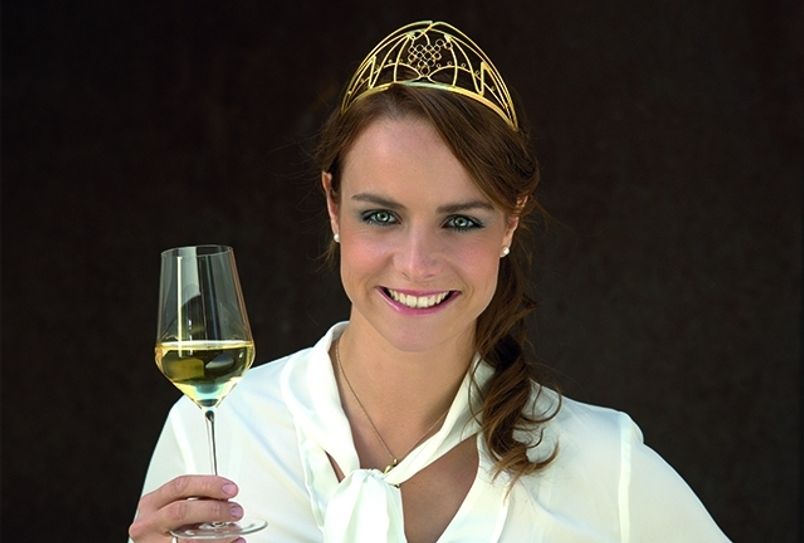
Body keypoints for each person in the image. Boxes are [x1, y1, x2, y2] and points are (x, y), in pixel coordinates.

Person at [128, 20, 731, 543]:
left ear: (510, 222)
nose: (417, 264)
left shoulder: (603, 465)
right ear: (334, 206)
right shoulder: (215, 433)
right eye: (381, 216)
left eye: (461, 221)